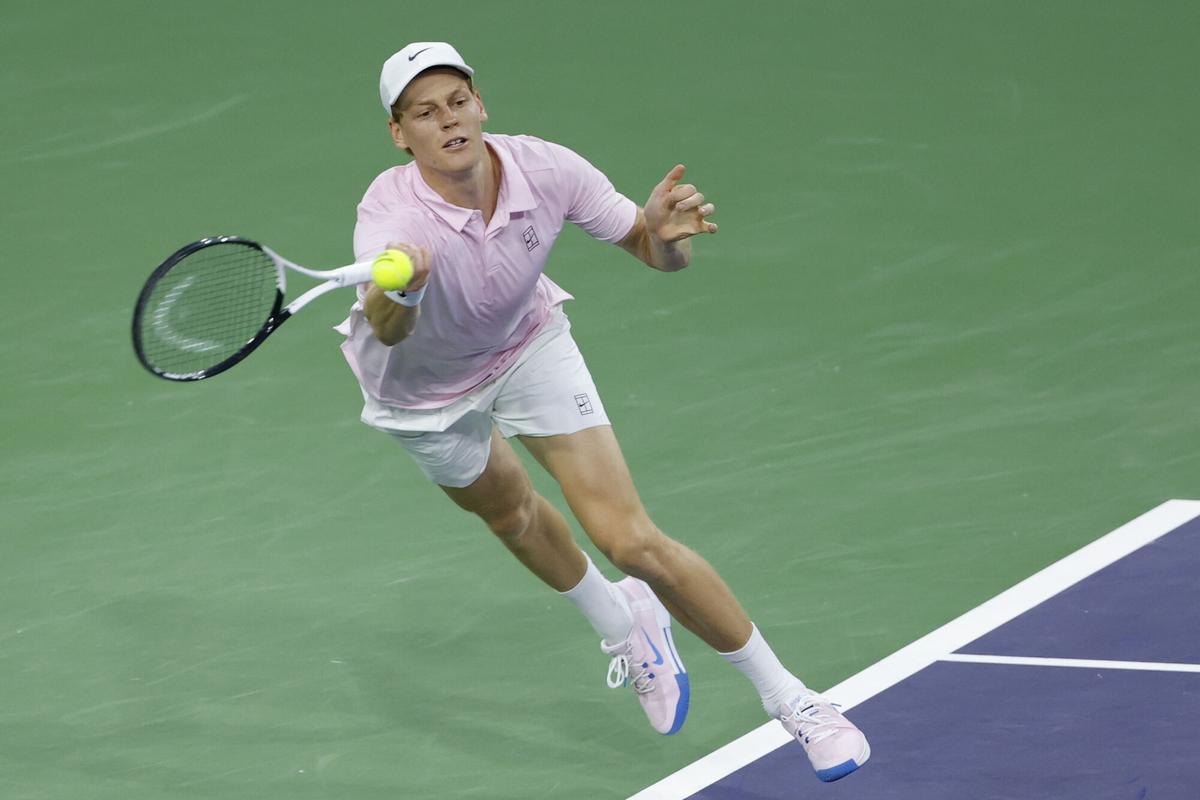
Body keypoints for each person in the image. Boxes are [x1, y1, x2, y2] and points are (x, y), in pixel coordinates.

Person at [336, 41, 870, 783]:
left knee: (631, 539)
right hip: (421, 394)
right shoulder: (388, 213)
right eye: (424, 114)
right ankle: (626, 623)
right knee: (511, 517)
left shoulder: (547, 168)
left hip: (525, 345)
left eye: (457, 102)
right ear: (401, 135)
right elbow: (388, 331)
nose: (448, 122)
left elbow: (651, 248)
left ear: (480, 103)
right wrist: (405, 290)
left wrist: (667, 237)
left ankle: (796, 702)